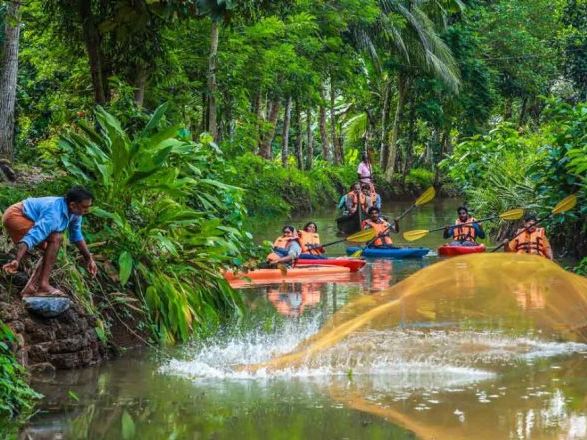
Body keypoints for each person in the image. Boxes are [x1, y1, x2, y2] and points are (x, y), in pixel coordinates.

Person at [2, 186, 98, 297]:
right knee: (56, 238)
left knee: (51, 248)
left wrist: (89, 259)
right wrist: (17, 259)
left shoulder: (75, 213)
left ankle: (32, 288)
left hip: (26, 215)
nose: (87, 210)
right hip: (16, 215)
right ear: (73, 205)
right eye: (85, 207)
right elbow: (32, 236)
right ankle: (43, 285)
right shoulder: (53, 214)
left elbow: (76, 235)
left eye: (89, 207)